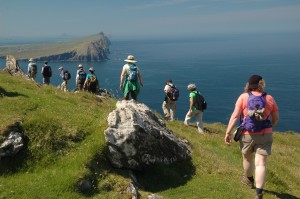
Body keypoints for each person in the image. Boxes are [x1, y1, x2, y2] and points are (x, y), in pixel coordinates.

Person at [224, 75, 279, 199]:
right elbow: (276, 119)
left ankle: (249, 180)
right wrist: (270, 127)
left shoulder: (243, 97)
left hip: (247, 134)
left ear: (249, 85)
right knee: (261, 164)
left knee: (247, 159)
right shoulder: (269, 98)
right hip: (265, 134)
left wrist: (227, 133)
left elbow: (235, 116)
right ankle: (259, 194)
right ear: (262, 84)